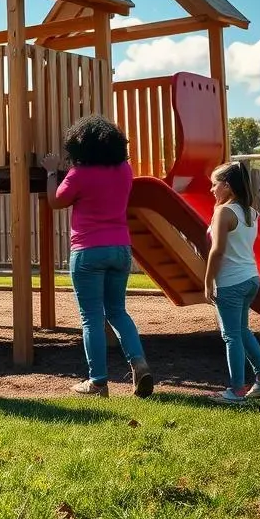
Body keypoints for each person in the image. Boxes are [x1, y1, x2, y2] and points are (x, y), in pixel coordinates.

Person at [41, 115, 152, 398]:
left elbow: (55, 201)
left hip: (88, 251)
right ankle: (138, 363)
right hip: (120, 249)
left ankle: (98, 381)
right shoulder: (125, 170)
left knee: (91, 317)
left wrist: (52, 172)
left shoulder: (79, 175)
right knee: (117, 311)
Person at [204, 161, 260, 404]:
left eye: (214, 184)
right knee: (242, 331)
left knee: (231, 336)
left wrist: (208, 282)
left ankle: (236, 390)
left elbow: (217, 252)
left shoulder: (223, 212)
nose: (212, 189)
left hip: (230, 282)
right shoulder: (250, 213)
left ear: (227, 186)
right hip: (250, 279)